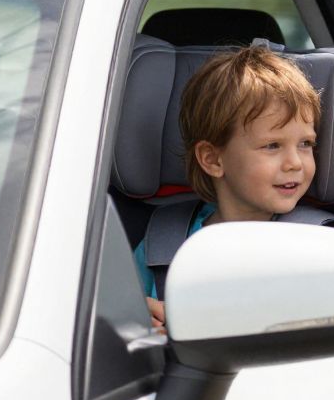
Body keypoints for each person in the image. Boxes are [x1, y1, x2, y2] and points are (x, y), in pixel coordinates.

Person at [134, 45, 323, 327]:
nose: (295, 163)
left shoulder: (317, 249)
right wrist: (138, 319)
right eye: (272, 145)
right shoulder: (160, 244)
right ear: (212, 159)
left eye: (305, 144)